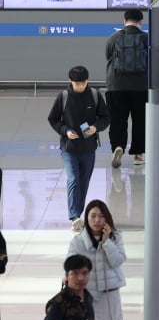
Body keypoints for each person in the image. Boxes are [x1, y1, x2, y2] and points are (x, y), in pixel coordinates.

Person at [48, 66, 110, 226]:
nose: (80, 86)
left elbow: (105, 117)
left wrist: (96, 127)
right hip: (69, 149)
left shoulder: (95, 96)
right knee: (73, 179)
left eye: (83, 83)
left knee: (84, 181)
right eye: (77, 84)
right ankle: (74, 216)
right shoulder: (63, 97)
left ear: (87, 81)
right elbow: (53, 119)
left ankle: (78, 214)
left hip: (89, 149)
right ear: (70, 81)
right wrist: (65, 131)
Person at [66, 200, 126, 320]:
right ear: (86, 218)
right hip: (88, 295)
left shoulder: (115, 237)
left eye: (101, 216)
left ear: (106, 218)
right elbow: (70, 267)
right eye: (93, 216)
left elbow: (117, 261)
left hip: (111, 294)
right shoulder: (78, 242)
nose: (97, 220)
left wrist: (106, 242)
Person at [105, 9, 148, 168]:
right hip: (141, 86)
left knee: (117, 119)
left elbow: (108, 56)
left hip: (116, 86)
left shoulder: (114, 38)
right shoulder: (145, 38)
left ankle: (118, 146)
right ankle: (138, 154)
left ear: (124, 21)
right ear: (140, 22)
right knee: (140, 120)